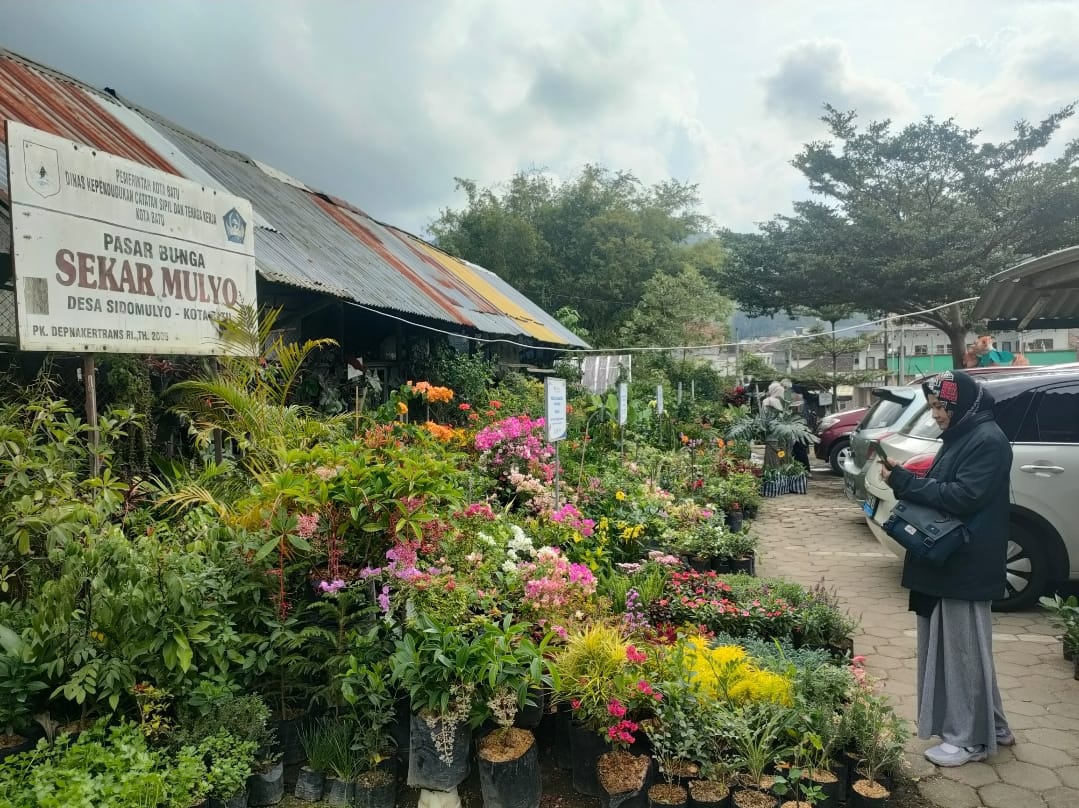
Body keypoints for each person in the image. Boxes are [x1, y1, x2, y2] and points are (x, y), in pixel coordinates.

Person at [879, 369, 1013, 767]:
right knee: (964, 647)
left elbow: (962, 496)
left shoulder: (986, 440)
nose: (936, 414)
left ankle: (969, 739)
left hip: (964, 563)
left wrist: (905, 481)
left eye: (941, 406)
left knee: (961, 649)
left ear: (962, 404)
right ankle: (993, 725)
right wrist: (907, 479)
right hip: (953, 559)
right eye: (934, 406)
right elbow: (951, 486)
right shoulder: (966, 435)